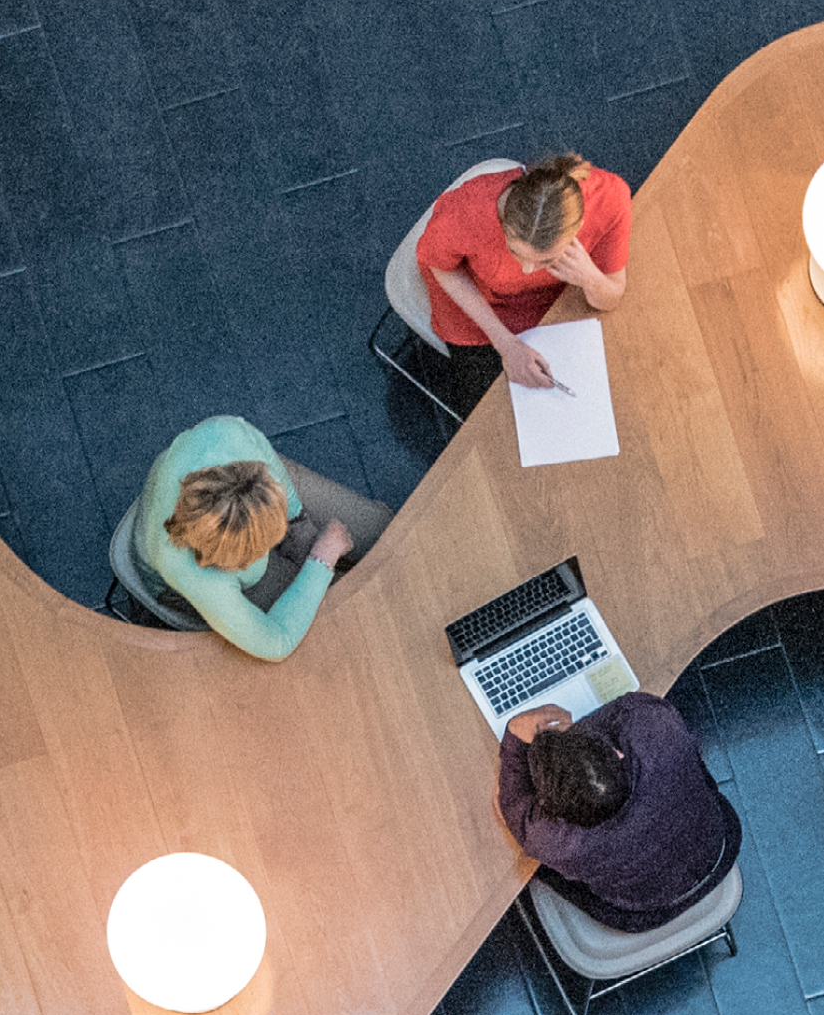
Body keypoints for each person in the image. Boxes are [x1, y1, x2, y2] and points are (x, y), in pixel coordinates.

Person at [133, 416, 393, 661]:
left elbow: (275, 471)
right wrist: (321, 560)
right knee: (344, 613)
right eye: (258, 550)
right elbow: (275, 642)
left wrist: (297, 521)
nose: (270, 549)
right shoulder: (190, 571)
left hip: (245, 503)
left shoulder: (227, 434)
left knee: (382, 529)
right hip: (179, 585)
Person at [499, 691, 741, 932]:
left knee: (537, 865)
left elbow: (512, 805)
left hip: (645, 909)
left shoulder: (554, 839)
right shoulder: (658, 729)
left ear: (554, 810)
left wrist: (514, 736)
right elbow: (632, 705)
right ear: (618, 753)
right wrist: (576, 740)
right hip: (719, 851)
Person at [414, 150, 632, 398]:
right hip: (484, 312)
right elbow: (441, 266)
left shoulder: (609, 199)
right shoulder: (466, 212)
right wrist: (506, 344)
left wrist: (589, 277)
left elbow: (611, 297)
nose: (527, 269)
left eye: (547, 259)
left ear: (578, 228)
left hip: (556, 309)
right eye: (513, 251)